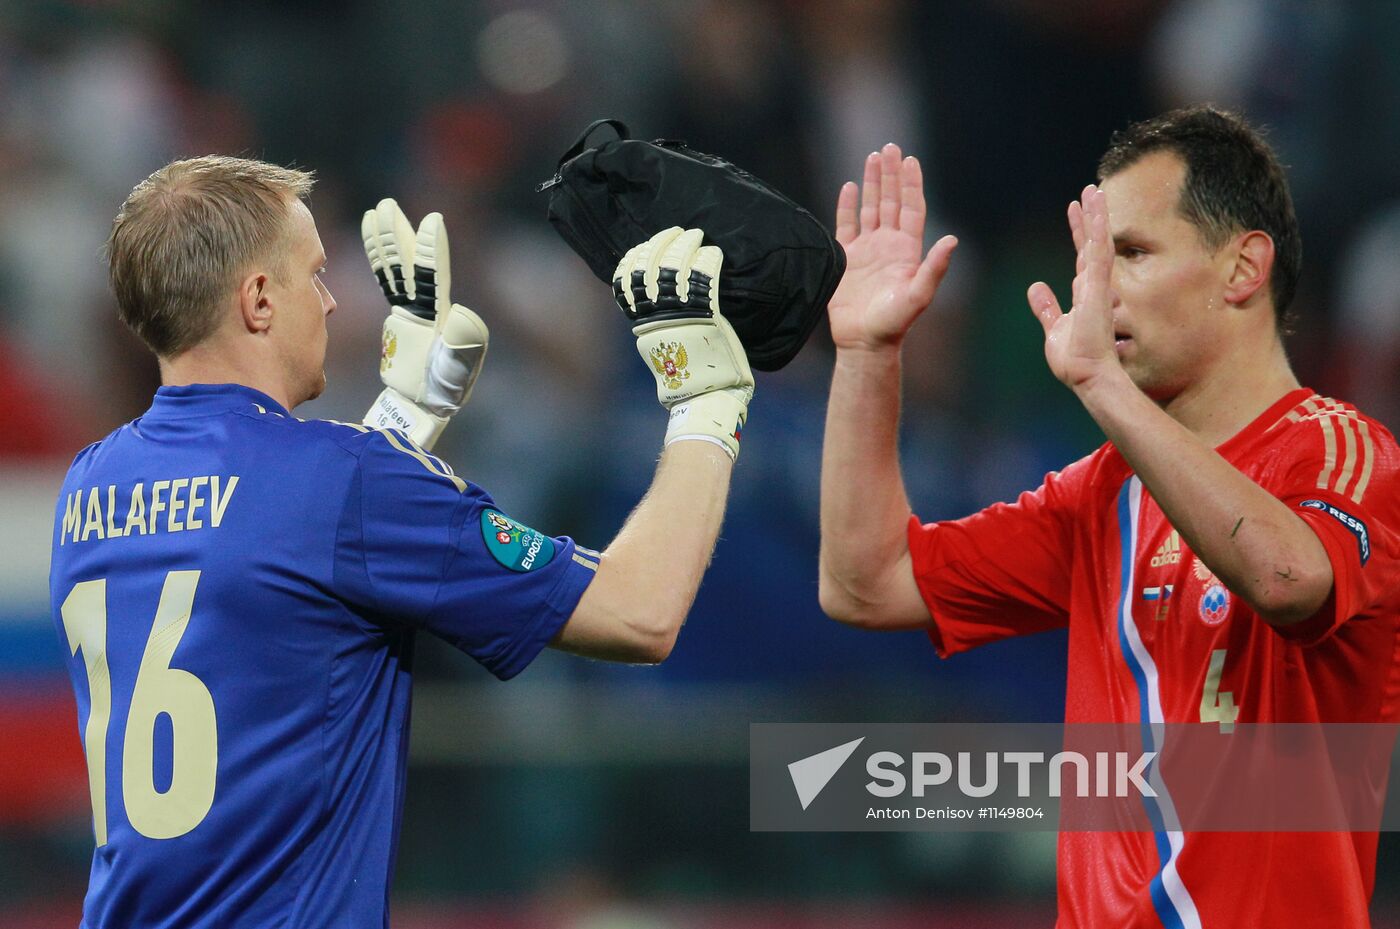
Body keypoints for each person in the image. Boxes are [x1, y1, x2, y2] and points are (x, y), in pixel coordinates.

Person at [48, 156, 753, 928]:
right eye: (313, 276)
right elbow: (639, 611)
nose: (330, 300)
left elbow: (275, 573)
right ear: (257, 300)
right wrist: (704, 403)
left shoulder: (90, 484)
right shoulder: (346, 482)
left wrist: (404, 416)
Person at [817, 107, 1400, 927]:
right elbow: (868, 583)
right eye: (1091, 257)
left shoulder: (1345, 452)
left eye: (1129, 252)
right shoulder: (1102, 493)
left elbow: (1288, 575)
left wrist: (1104, 387)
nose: (1097, 288)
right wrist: (868, 355)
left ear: (1242, 269)